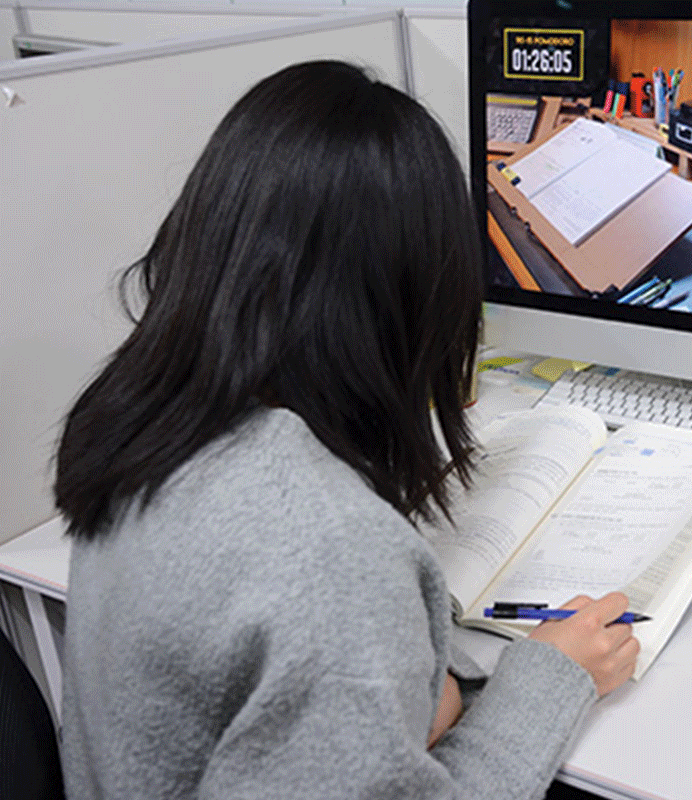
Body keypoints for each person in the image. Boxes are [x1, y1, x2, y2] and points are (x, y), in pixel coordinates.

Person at [53, 60, 638, 800]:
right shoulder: (327, 550)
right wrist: (555, 677)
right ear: (409, 297)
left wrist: (388, 688)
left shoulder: (141, 421)